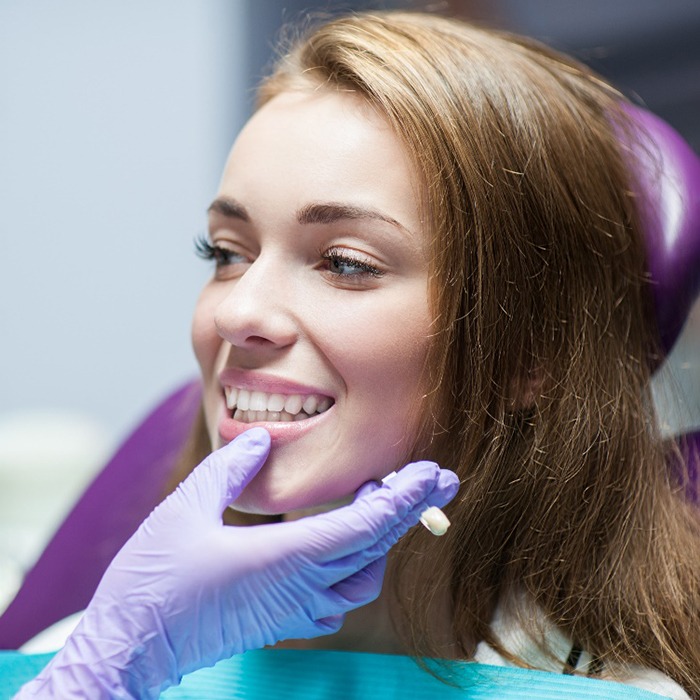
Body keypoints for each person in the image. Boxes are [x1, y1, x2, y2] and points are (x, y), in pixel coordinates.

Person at [12, 10, 700, 699]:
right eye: (226, 253)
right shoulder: (96, 654)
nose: (236, 311)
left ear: (530, 355)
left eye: (344, 263)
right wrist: (108, 667)